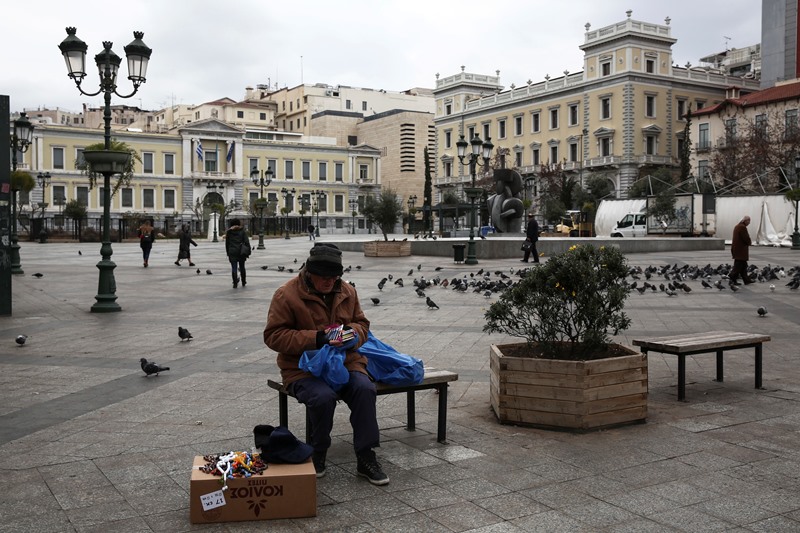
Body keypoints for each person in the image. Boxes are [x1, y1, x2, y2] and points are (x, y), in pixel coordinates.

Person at [263, 243, 389, 486]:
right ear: (310, 272)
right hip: (301, 367)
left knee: (364, 390)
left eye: (334, 277)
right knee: (322, 397)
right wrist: (317, 338)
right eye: (324, 277)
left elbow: (362, 324)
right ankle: (318, 451)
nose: (329, 282)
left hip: (345, 362)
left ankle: (366, 455)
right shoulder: (286, 294)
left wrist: (352, 334)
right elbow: (273, 336)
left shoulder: (347, 291)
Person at [225, 218, 251, 288]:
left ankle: (235, 283)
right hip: (241, 251)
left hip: (232, 251)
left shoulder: (229, 232)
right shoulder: (242, 231)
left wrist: (228, 252)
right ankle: (243, 281)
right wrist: (248, 251)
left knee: (234, 268)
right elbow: (246, 242)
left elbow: (227, 243)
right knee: (242, 267)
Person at [729, 215, 753, 285]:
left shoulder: (738, 226)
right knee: (738, 266)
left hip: (737, 250)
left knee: (743, 266)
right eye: (749, 221)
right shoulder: (742, 227)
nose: (749, 223)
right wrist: (749, 242)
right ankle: (732, 278)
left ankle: (746, 280)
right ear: (745, 221)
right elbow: (746, 238)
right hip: (740, 250)